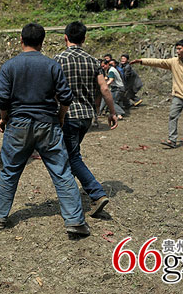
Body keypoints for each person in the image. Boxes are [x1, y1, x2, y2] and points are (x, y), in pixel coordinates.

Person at [0, 23, 89, 237]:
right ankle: (74, 221)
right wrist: (60, 117)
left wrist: (4, 118)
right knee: (61, 171)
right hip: (48, 124)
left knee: (10, 171)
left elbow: (2, 99)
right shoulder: (52, 65)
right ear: (42, 42)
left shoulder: (9, 66)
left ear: (21, 40)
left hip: (17, 125)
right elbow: (66, 97)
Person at [54, 22, 118, 218]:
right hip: (87, 116)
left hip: (68, 116)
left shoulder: (58, 60)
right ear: (83, 39)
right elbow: (104, 89)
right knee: (70, 155)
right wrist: (112, 112)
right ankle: (72, 192)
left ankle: (96, 193)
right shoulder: (93, 61)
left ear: (65, 37)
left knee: (72, 157)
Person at [131, 39, 183, 148]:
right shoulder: (174, 62)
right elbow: (158, 62)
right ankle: (172, 140)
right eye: (176, 49)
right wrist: (142, 61)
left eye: (179, 49)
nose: (177, 51)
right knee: (172, 116)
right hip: (178, 95)